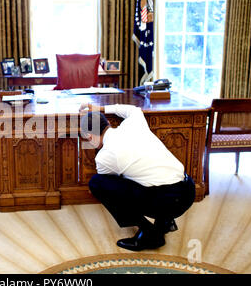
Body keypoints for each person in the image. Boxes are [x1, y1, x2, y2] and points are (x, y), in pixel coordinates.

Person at [79, 102, 196, 251]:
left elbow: (117, 189)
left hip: (167, 201)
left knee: (97, 183)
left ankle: (150, 234)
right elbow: (132, 109)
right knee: (145, 174)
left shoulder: (104, 157)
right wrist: (100, 109)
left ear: (89, 136)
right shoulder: (135, 122)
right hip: (188, 191)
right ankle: (165, 221)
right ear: (108, 123)